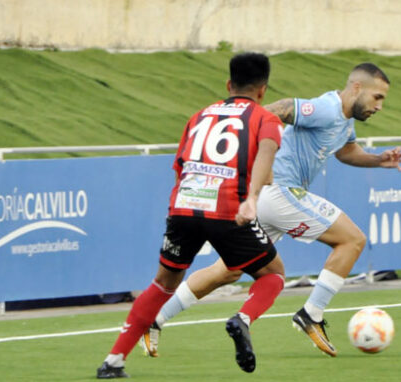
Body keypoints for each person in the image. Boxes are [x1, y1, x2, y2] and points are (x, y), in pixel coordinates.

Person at [139, 62, 401, 359]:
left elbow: (346, 151)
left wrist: (378, 159)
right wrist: (240, 131)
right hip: (280, 192)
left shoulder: (345, 121)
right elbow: (280, 108)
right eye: (378, 97)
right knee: (353, 240)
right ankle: (312, 313)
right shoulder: (325, 108)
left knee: (227, 272)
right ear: (357, 88)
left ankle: (154, 319)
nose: (380, 106)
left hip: (269, 201)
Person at [96, 52, 285, 378]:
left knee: (162, 284)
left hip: (183, 207)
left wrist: (180, 212)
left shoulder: (198, 116)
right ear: (263, 90)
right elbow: (267, 151)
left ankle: (113, 361)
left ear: (229, 84)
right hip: (228, 209)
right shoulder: (264, 118)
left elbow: (180, 167)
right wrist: (252, 197)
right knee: (273, 275)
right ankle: (242, 319)